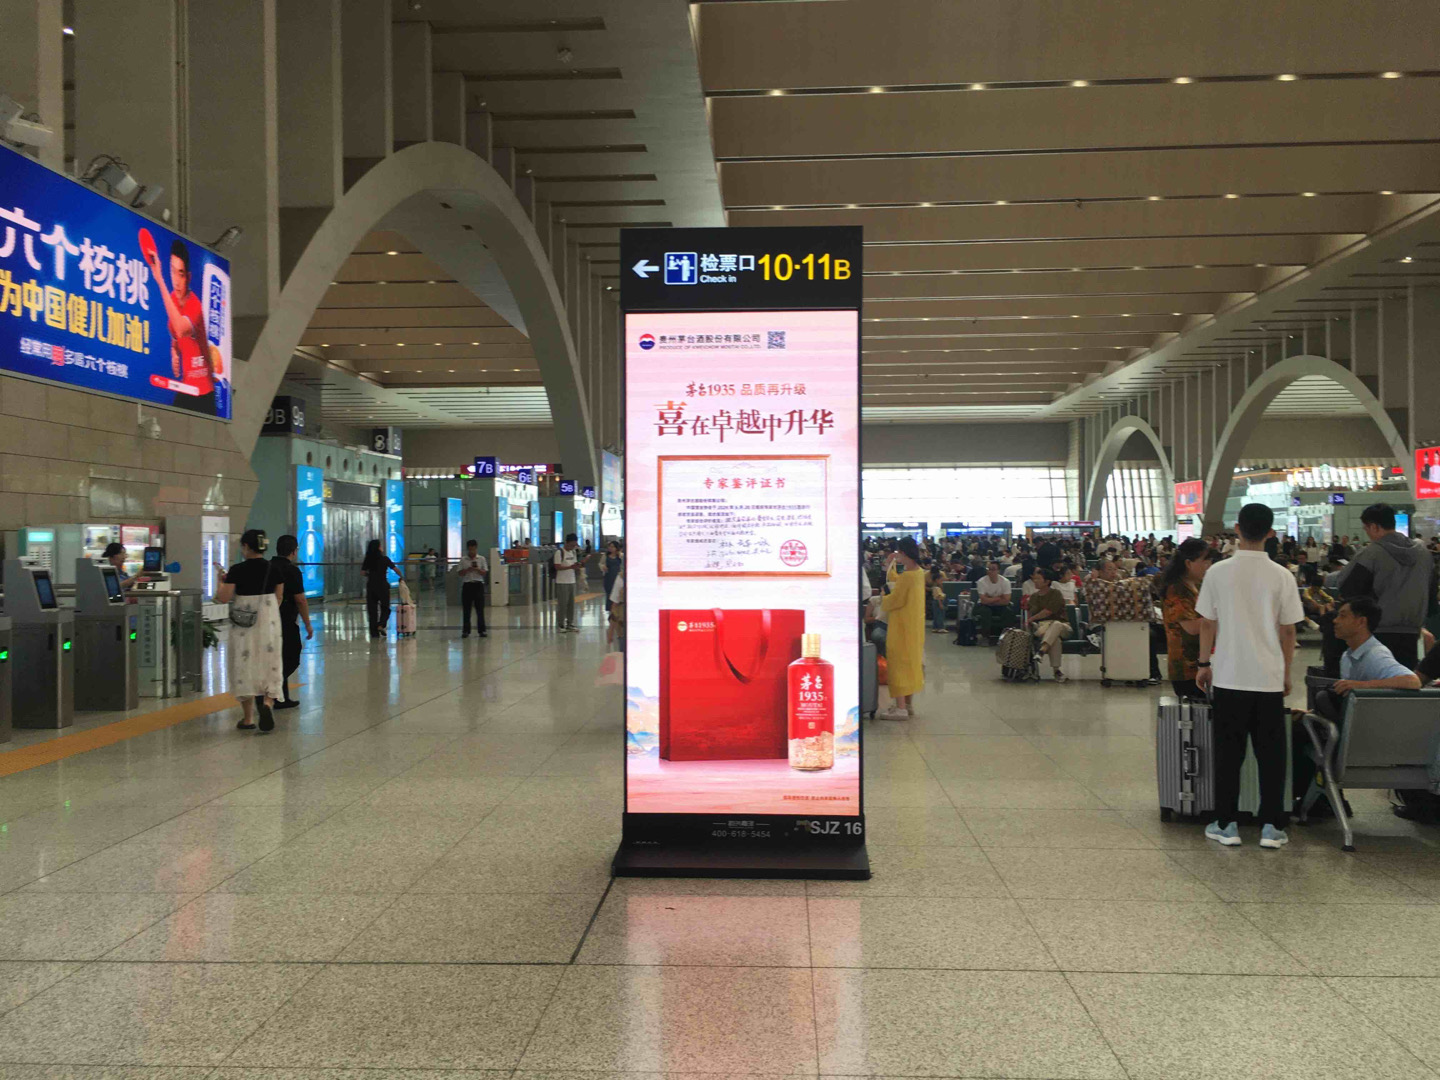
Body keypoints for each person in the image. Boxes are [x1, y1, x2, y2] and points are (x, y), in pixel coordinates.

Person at [1196, 503, 1303, 849]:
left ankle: (1226, 823)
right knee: (1271, 756)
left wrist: (1203, 664)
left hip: (1229, 675)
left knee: (1229, 755)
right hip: (1268, 678)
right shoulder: (1282, 576)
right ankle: (1272, 826)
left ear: (1238, 529)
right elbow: (1289, 630)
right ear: (1271, 533)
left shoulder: (1218, 572)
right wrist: (1286, 672)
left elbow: (1207, 623)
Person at [1325, 504, 1434, 666]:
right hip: (1412, 632)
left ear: (1374, 527)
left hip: (1377, 631)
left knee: (1378, 677)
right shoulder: (1423, 553)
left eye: (1366, 529)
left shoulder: (1371, 553)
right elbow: (1431, 594)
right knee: (1405, 675)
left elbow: (1348, 589)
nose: (1367, 534)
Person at [215, 529, 283, 732]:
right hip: (269, 622)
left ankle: (248, 719)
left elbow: (223, 598)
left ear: (246, 546)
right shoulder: (274, 568)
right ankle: (268, 703)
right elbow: (279, 597)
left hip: (244, 624)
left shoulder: (237, 570)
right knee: (271, 662)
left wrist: (220, 581)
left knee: (244, 663)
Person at [142, 238, 216, 416]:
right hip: (187, 385)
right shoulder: (173, 299)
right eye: (172, 271)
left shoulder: (195, 306)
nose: (175, 281)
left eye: (180, 274)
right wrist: (174, 351)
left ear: (188, 277)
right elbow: (176, 336)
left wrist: (159, 280)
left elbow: (181, 329)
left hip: (204, 392)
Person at [1159, 538, 1215, 699]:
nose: (1209, 566)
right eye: (1205, 561)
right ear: (1189, 563)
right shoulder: (1177, 590)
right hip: (1186, 667)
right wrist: (1224, 617)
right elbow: (1191, 627)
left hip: (1201, 661)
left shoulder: (1196, 585)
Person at [877, 536, 925, 719]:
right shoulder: (918, 573)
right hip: (914, 627)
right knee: (911, 664)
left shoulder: (908, 577)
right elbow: (899, 582)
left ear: (904, 553)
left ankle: (900, 708)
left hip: (901, 627)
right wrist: (890, 567)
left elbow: (895, 600)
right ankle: (908, 704)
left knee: (898, 664)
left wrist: (884, 597)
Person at [269, 535, 311, 710]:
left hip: (267, 619)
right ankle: (271, 691)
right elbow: (300, 599)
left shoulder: (268, 566)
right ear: (294, 552)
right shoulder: (292, 571)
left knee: (277, 657)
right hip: (285, 619)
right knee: (291, 657)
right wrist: (307, 623)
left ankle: (282, 697)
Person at [1027, 568, 1072, 682]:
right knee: (1055, 640)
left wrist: (1033, 618)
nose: (1035, 581)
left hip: (1063, 627)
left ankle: (1041, 650)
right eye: (1035, 579)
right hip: (1045, 628)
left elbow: (1048, 611)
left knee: (1056, 624)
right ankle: (1057, 671)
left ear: (1047, 581)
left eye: (1038, 579)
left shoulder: (1056, 594)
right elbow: (1030, 613)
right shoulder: (1034, 597)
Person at [361, 539, 398, 638]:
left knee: (372, 610)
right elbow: (395, 569)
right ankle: (381, 624)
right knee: (385, 607)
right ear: (378, 548)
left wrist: (370, 575)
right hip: (382, 586)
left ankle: (374, 633)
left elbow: (363, 572)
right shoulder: (385, 559)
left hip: (371, 586)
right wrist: (401, 577)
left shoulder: (368, 559)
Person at [973, 561, 1015, 645]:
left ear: (998, 570)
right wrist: (999, 597)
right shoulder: (981, 581)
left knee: (1009, 612)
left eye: (993, 569)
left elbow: (1006, 600)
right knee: (985, 612)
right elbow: (983, 600)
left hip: (1001, 606)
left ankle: (1006, 637)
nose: (990, 571)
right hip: (984, 605)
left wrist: (990, 599)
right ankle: (985, 637)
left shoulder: (1005, 581)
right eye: (989, 569)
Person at [457, 539, 488, 638]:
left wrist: (477, 569)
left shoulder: (481, 559)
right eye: (470, 550)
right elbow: (459, 573)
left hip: (478, 585)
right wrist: (467, 570)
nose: (472, 552)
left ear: (476, 548)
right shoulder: (463, 560)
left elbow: (484, 572)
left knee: (480, 609)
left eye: (473, 549)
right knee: (466, 609)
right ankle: (466, 630)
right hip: (467, 585)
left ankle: (482, 630)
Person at [553, 533, 581, 632]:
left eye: (574, 545)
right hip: (562, 582)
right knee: (562, 604)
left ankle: (570, 623)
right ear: (566, 543)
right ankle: (560, 624)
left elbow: (574, 564)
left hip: (571, 581)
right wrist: (570, 567)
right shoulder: (559, 552)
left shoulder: (573, 552)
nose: (573, 547)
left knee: (571, 604)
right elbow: (557, 567)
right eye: (571, 545)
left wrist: (577, 566)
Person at [601, 540, 623, 613]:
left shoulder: (620, 556)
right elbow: (601, 563)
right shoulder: (605, 556)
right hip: (608, 577)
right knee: (609, 593)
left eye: (612, 547)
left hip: (617, 577)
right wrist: (603, 567)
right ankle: (610, 610)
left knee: (617, 593)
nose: (610, 548)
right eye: (609, 546)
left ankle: (617, 610)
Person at [927, 566, 948, 634]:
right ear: (937, 580)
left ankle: (935, 627)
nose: (942, 582)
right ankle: (941, 627)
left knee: (936, 615)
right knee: (940, 615)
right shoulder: (937, 588)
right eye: (941, 580)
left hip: (936, 602)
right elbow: (938, 597)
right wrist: (940, 604)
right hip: (938, 602)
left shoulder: (935, 587)